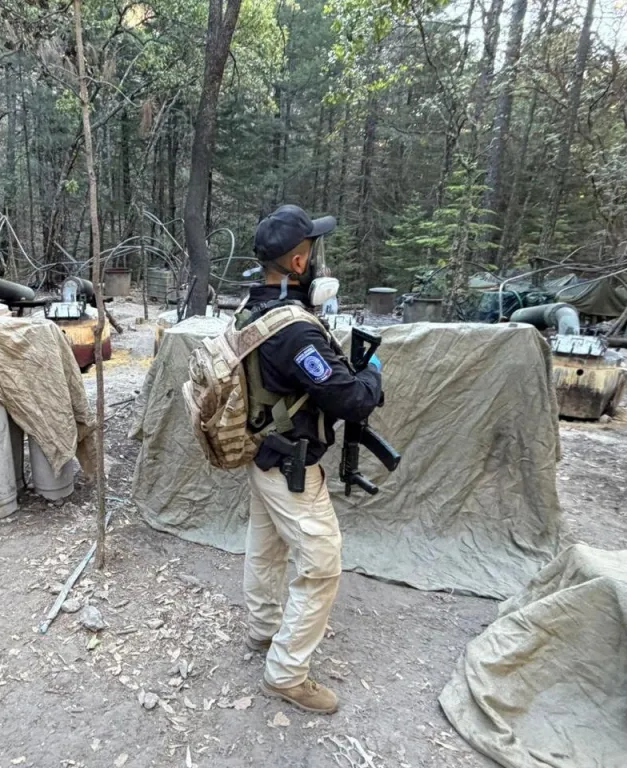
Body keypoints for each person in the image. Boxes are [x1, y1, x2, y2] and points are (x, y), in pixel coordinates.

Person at [241, 204, 383, 714]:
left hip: (261, 453)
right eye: (313, 251)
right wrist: (373, 375)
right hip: (292, 466)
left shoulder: (253, 309)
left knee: (266, 548)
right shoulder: (295, 331)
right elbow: (350, 400)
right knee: (321, 566)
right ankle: (285, 674)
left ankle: (262, 630)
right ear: (299, 264)